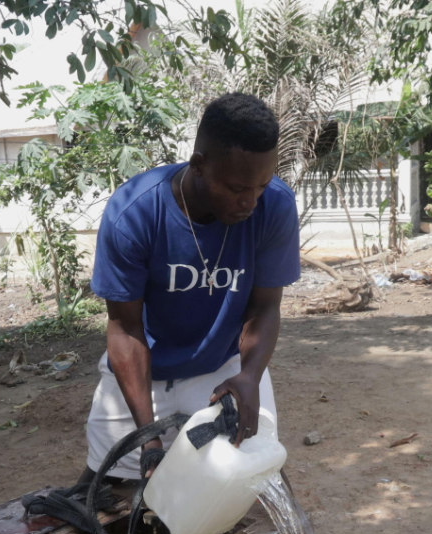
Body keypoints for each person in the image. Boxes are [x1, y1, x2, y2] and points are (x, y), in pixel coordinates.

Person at [84, 92, 300, 481]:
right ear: (199, 165)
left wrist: (249, 376)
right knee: (111, 494)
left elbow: (265, 307)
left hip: (225, 370)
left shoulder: (276, 206)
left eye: (262, 185)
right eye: (237, 188)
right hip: (140, 373)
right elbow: (125, 329)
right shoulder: (135, 213)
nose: (250, 201)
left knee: (249, 486)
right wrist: (149, 440)